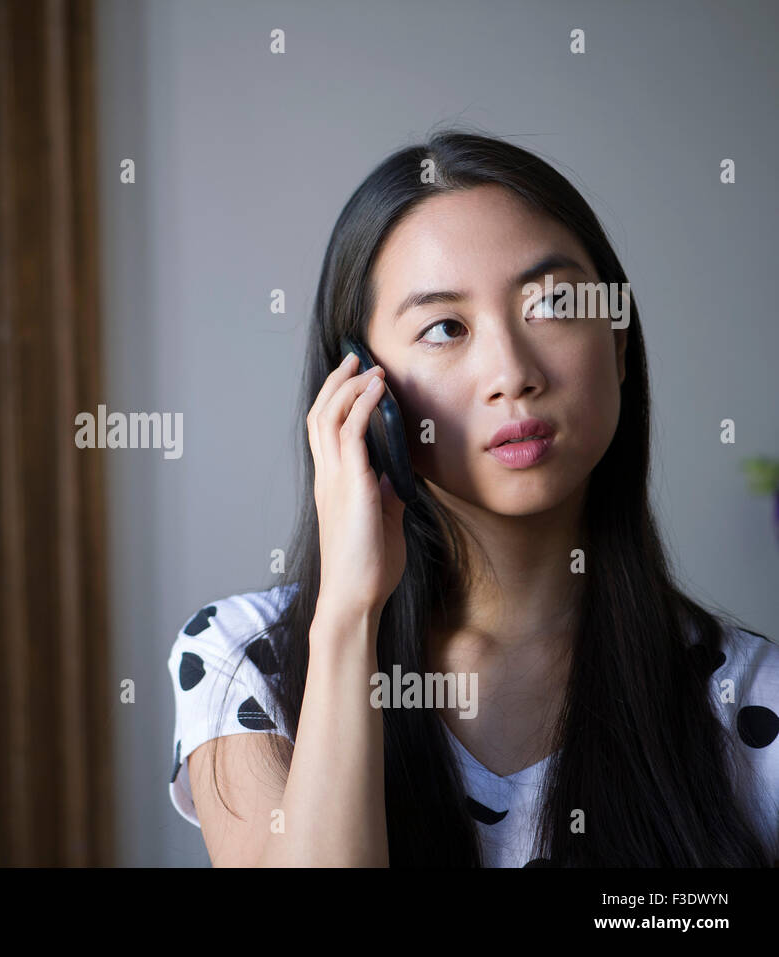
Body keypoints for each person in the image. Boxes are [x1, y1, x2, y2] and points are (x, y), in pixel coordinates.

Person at [166, 128, 779, 867]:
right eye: (445, 327)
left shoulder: (752, 698)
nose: (511, 371)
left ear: (617, 345)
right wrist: (349, 613)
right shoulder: (244, 662)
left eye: (552, 303)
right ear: (364, 390)